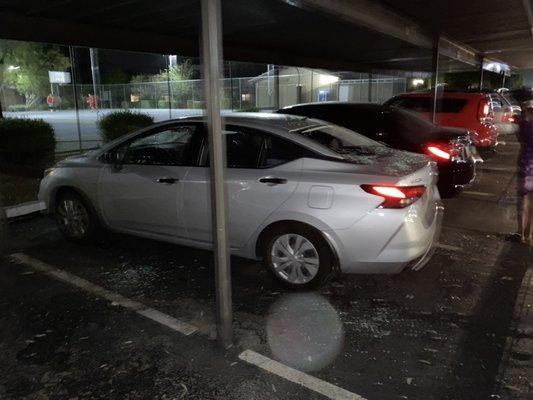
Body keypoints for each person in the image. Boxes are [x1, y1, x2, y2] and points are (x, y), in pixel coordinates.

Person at [518, 100, 533, 244]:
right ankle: (529, 234)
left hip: (528, 166)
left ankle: (523, 235)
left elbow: (520, 121)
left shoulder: (526, 126)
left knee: (525, 201)